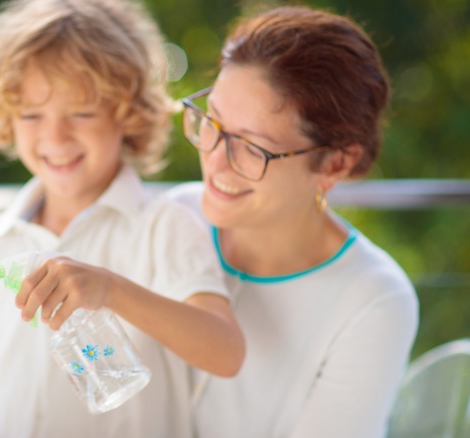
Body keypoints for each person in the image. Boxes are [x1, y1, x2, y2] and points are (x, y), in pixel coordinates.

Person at [0, 0, 245, 437]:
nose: (55, 136)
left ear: (127, 113)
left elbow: (225, 351)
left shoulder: (162, 227)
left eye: (81, 112)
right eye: (32, 114)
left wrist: (111, 289)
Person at [168, 6, 418, 437]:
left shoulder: (374, 301)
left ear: (336, 163)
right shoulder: (175, 218)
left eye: (252, 147)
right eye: (212, 121)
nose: (215, 160)